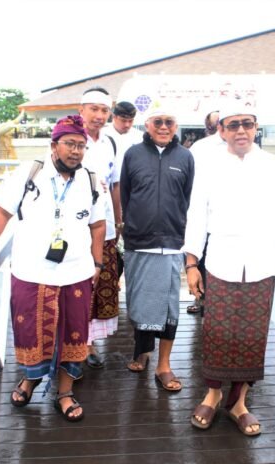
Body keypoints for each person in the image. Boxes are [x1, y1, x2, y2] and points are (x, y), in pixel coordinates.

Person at [0, 115, 105, 422]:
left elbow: (98, 225)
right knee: (30, 332)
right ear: (54, 146)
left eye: (81, 146)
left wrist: (97, 262)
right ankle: (30, 380)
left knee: (74, 336)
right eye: (70, 144)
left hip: (76, 272)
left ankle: (65, 392)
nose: (76, 152)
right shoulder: (28, 174)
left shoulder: (90, 180)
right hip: (31, 271)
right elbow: (0, 214)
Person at [184, 103, 275, 436]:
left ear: (255, 127)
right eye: (233, 125)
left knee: (251, 337)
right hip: (221, 260)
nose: (240, 131)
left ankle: (239, 403)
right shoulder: (207, 166)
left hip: (262, 261)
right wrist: (192, 263)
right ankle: (213, 393)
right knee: (218, 333)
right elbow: (196, 215)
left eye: (247, 124)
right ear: (221, 130)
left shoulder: (272, 165)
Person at [120, 107, 194, 392]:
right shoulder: (133, 155)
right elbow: (126, 194)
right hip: (139, 240)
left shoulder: (185, 157)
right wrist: (133, 224)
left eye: (169, 122)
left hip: (172, 242)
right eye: (158, 122)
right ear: (147, 125)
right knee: (139, 301)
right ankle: (141, 351)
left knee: (168, 305)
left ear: (176, 126)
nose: (164, 126)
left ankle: (164, 364)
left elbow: (187, 198)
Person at [79, 87, 120, 370]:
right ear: (81, 110)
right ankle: (72, 341)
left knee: (98, 285)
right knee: (75, 284)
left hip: (103, 227)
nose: (99, 116)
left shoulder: (109, 142)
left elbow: (115, 184)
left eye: (104, 110)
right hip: (75, 228)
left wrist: (119, 222)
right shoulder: (67, 138)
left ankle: (88, 342)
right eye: (94, 109)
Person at [185, 110, 222, 315]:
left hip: (225, 219)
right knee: (199, 259)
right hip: (201, 213)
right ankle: (201, 300)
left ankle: (212, 303)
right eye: (212, 125)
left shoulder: (248, 148)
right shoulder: (200, 148)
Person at [103, 101, 144, 276]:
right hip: (109, 194)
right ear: (114, 116)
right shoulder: (103, 135)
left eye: (131, 120)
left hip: (135, 197)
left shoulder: (140, 137)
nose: (127, 125)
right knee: (112, 241)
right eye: (123, 120)